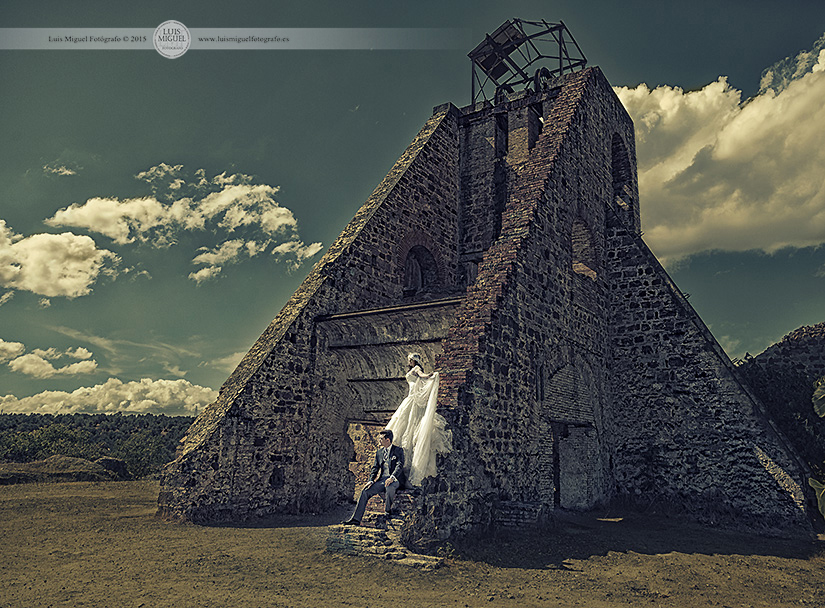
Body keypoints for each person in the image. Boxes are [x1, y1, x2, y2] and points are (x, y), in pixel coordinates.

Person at [385, 353, 452, 487]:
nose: (408, 362)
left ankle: (404, 471)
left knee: (409, 427)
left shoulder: (416, 369)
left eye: (409, 360)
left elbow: (422, 375)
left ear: (412, 360)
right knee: (404, 426)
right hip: (410, 400)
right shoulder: (412, 370)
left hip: (412, 401)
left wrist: (429, 376)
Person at [342, 429, 404, 525]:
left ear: (388, 440)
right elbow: (375, 468)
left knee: (390, 487)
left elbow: (399, 465)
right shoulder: (379, 452)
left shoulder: (398, 450)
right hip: (382, 480)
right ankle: (356, 519)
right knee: (365, 491)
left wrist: (392, 477)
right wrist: (371, 480)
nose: (379, 440)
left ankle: (387, 512)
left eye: (381, 439)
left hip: (394, 479)